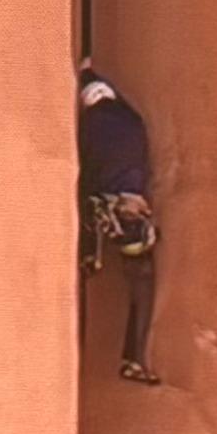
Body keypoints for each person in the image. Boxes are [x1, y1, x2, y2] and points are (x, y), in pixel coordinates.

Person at [79, 61, 161, 384]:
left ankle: (89, 252)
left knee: (85, 263)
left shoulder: (90, 126)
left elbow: (84, 171)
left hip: (101, 206)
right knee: (142, 276)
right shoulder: (130, 121)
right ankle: (134, 358)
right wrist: (90, 71)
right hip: (130, 211)